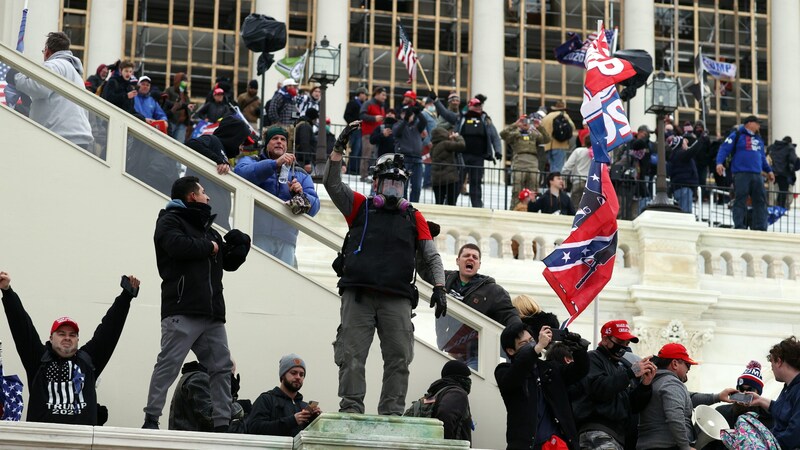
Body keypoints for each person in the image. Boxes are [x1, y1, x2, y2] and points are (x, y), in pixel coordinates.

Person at [323, 123, 447, 415]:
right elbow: (332, 183)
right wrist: (338, 149)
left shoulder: (413, 216)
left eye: (398, 185)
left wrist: (440, 287)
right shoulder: (360, 207)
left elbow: (431, 256)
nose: (392, 190)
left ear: (404, 188)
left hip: (397, 298)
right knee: (352, 356)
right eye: (387, 183)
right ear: (376, 185)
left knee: (399, 358)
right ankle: (351, 410)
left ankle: (391, 413)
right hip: (358, 295)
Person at [142, 176, 252, 431]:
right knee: (168, 364)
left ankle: (222, 424)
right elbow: (176, 245)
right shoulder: (169, 221)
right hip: (182, 308)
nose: (208, 197)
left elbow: (228, 261)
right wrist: (210, 247)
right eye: (203, 192)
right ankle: (150, 420)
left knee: (222, 367)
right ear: (191, 196)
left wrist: (242, 244)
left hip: (211, 313)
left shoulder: (208, 230)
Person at [0, 271, 140, 425]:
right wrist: (7, 291)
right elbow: (21, 326)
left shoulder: (88, 361)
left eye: (72, 335)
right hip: (42, 442)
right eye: (61, 333)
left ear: (78, 340)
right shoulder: (38, 360)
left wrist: (126, 296)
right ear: (51, 338)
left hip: (82, 443)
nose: (67, 337)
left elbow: (109, 329)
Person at [496, 321, 590, 450]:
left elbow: (580, 371)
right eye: (524, 343)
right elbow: (515, 375)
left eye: (531, 340)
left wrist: (578, 350)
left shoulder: (550, 368)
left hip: (558, 443)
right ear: (510, 351)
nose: (531, 344)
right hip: (527, 444)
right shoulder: (504, 371)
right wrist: (537, 348)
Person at [234, 126, 320, 267]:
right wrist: (274, 164)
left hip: (287, 240)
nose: (279, 142)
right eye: (274, 139)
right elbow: (241, 174)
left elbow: (315, 207)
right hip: (256, 235)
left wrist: (300, 195)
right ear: (266, 143)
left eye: (283, 139)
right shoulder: (251, 161)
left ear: (287, 145)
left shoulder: (300, 173)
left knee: (283, 286)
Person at [571, 320, 658, 450]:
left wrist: (645, 384)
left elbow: (632, 406)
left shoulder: (619, 367)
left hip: (617, 435)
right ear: (605, 339)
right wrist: (631, 372)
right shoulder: (592, 359)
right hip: (597, 431)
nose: (623, 347)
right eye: (620, 342)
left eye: (626, 343)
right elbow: (600, 389)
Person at [434, 243, 521, 369]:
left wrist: (519, 335)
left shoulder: (492, 290)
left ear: (479, 264)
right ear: (458, 261)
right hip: (451, 351)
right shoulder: (444, 279)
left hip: (476, 354)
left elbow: (509, 314)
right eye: (466, 256)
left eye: (475, 257)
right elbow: (425, 269)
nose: (471, 258)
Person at [636, 343, 737, 450]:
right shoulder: (672, 383)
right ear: (674, 364)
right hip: (667, 446)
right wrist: (685, 446)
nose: (689, 369)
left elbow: (689, 398)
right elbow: (675, 416)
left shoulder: (656, 381)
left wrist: (718, 397)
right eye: (687, 365)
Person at [8, 31, 94, 150]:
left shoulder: (54, 64)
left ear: (47, 50)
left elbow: (39, 87)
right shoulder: (74, 73)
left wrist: (15, 78)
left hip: (61, 136)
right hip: (78, 137)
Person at [434, 93, 502, 208]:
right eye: (475, 105)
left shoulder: (485, 119)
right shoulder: (461, 117)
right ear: (470, 106)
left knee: (476, 182)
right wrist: (436, 101)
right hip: (462, 155)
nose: (478, 107)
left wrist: (498, 151)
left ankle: (477, 206)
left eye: (479, 105)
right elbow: (446, 114)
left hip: (478, 157)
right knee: (457, 182)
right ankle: (450, 204)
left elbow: (494, 136)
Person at [184, 116, 251, 228]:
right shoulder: (213, 141)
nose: (242, 148)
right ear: (234, 136)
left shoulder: (223, 153)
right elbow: (192, 144)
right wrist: (217, 159)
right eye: (242, 142)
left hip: (216, 219)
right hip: (202, 216)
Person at [715, 115, 774, 231]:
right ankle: (739, 225)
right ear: (749, 123)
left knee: (760, 201)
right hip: (741, 173)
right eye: (757, 123)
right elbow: (724, 148)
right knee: (740, 199)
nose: (758, 126)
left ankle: (760, 226)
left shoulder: (759, 140)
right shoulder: (737, 135)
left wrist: (769, 171)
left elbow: (762, 157)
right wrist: (719, 162)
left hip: (757, 175)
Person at [240, 354, 320, 437]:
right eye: (293, 373)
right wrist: (292, 420)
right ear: (282, 375)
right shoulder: (266, 400)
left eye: (301, 374)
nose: (298, 377)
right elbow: (254, 428)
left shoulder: (304, 406)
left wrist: (315, 421)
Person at [706, 360, 772, 450]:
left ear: (758, 393)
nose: (744, 393)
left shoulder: (767, 417)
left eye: (750, 389)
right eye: (741, 389)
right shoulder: (721, 412)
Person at [749, 336, 800, 450]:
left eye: (772, 363)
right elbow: (785, 412)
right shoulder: (789, 386)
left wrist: (765, 444)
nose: (771, 369)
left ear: (779, 361)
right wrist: (760, 400)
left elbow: (795, 434)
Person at [168, 361, 245, 431]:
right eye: (229, 374)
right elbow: (214, 417)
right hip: (191, 443)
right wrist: (240, 406)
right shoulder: (199, 379)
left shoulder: (199, 378)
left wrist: (230, 392)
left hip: (190, 441)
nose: (229, 379)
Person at [416, 360, 473, 443]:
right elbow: (445, 415)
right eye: (467, 377)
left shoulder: (434, 395)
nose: (469, 380)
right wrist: (445, 445)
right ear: (460, 378)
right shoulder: (457, 393)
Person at [501, 114, 550, 209]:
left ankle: (533, 210)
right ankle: (515, 209)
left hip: (532, 162)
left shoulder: (534, 134)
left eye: (527, 122)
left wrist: (539, 126)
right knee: (517, 189)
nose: (525, 124)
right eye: (523, 121)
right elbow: (503, 134)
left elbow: (546, 139)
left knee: (534, 189)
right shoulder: (515, 134)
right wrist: (515, 124)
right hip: (519, 162)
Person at [393, 91, 428, 202]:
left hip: (417, 159)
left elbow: (424, 121)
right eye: (404, 113)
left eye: (408, 113)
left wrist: (418, 112)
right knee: (403, 186)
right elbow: (397, 132)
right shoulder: (398, 124)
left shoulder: (417, 127)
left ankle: (414, 206)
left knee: (417, 186)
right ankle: (403, 206)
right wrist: (405, 120)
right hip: (404, 159)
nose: (407, 115)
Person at [430, 122, 466, 206]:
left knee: (439, 203)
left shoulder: (433, 147)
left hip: (437, 180)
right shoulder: (446, 144)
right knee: (451, 203)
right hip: (450, 179)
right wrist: (457, 137)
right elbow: (462, 145)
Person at [359, 86, 388, 181]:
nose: (385, 97)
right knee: (366, 155)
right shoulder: (368, 103)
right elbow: (362, 115)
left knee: (374, 156)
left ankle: (372, 176)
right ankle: (364, 176)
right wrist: (374, 118)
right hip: (368, 134)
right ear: (377, 94)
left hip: (377, 135)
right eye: (383, 95)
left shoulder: (382, 106)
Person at [667, 135, 699, 214]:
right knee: (686, 214)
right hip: (684, 189)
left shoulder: (675, 155)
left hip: (680, 188)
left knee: (681, 213)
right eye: (685, 142)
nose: (687, 144)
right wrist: (702, 139)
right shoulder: (681, 154)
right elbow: (692, 150)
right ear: (681, 144)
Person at [542, 100, 575, 173]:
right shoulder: (563, 116)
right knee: (558, 168)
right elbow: (572, 127)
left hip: (547, 146)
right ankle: (555, 183)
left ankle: (550, 183)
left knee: (549, 168)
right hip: (559, 145)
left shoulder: (546, 117)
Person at [562, 134, 592, 211]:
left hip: (578, 181)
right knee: (588, 208)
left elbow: (567, 166)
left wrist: (563, 178)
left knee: (574, 207)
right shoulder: (598, 154)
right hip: (592, 184)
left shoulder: (578, 151)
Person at [767, 136, 798, 209]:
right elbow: (794, 160)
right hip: (785, 174)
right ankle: (782, 209)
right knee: (784, 192)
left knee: (777, 192)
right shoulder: (789, 147)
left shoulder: (773, 147)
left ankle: (778, 207)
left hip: (774, 173)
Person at [343, 87, 368, 174]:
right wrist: (355, 124)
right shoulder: (352, 103)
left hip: (360, 130)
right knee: (355, 149)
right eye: (365, 94)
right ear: (360, 94)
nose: (366, 97)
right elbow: (346, 116)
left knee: (359, 150)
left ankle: (356, 169)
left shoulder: (362, 104)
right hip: (355, 130)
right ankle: (352, 169)